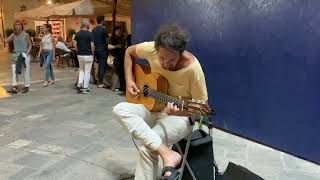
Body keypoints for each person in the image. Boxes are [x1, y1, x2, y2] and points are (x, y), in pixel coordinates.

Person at [113, 24, 208, 180]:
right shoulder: (151, 48)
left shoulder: (193, 69)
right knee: (119, 109)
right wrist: (130, 80)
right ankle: (167, 153)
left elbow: (202, 108)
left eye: (171, 60)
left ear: (181, 53)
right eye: (161, 58)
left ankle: (165, 154)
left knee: (147, 147)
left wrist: (180, 111)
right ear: (156, 49)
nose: (165, 63)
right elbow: (129, 52)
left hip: (180, 117)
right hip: (153, 107)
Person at [0, 20, 32, 93]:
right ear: (14, 27)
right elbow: (5, 41)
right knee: (14, 70)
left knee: (25, 71)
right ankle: (14, 87)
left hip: (24, 54)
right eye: (16, 25)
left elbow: (30, 45)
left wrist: (26, 54)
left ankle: (26, 86)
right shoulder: (13, 34)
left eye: (19, 25)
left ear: (21, 26)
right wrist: (1, 35)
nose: (17, 26)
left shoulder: (26, 34)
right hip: (16, 55)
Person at [74, 18, 95, 94]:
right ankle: (85, 87)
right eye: (89, 23)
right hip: (88, 55)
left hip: (80, 55)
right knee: (87, 71)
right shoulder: (90, 34)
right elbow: (92, 45)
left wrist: (78, 51)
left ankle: (80, 84)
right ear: (87, 24)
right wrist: (92, 53)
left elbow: (75, 44)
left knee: (82, 70)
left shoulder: (78, 33)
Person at [92, 16, 109, 88]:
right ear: (102, 21)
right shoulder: (103, 30)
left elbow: (92, 41)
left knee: (97, 65)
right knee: (102, 66)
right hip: (102, 50)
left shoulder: (93, 30)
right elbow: (107, 40)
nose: (104, 21)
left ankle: (96, 79)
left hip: (96, 50)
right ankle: (100, 82)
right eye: (104, 20)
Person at [109, 26, 126, 91]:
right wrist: (116, 46)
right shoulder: (113, 38)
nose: (119, 32)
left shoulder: (120, 38)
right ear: (115, 31)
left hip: (121, 57)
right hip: (116, 57)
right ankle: (113, 87)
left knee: (120, 72)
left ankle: (121, 87)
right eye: (118, 30)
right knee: (116, 72)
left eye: (120, 30)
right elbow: (109, 47)